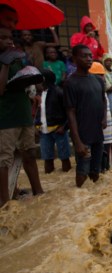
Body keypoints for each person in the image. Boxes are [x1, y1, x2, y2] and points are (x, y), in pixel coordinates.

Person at [0, 26, 44, 207]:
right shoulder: (6, 60)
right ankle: (5, 202)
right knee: (4, 159)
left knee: (30, 153)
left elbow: (20, 84)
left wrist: (32, 93)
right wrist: (5, 64)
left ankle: (39, 192)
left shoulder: (17, 58)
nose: (8, 41)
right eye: (3, 38)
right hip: (6, 117)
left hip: (24, 113)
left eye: (10, 37)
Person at [64, 45, 107, 187]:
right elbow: (70, 112)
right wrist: (77, 141)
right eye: (84, 56)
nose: (89, 59)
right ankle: (78, 197)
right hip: (83, 136)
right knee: (82, 171)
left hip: (98, 134)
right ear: (75, 59)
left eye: (90, 55)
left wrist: (104, 118)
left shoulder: (98, 80)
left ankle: (92, 199)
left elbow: (103, 100)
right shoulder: (71, 82)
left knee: (96, 171)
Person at [36, 69, 71, 173]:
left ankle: (66, 174)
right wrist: (36, 125)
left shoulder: (59, 92)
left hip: (58, 128)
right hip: (43, 130)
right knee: (47, 157)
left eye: (39, 80)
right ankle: (49, 174)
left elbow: (69, 112)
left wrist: (64, 127)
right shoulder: (38, 94)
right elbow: (37, 112)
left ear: (44, 80)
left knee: (64, 156)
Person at [88, 61, 112, 172]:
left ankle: (105, 168)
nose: (102, 78)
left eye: (103, 75)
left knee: (106, 146)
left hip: (106, 123)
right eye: (99, 75)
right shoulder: (91, 89)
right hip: (96, 125)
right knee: (98, 150)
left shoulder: (101, 88)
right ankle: (100, 169)